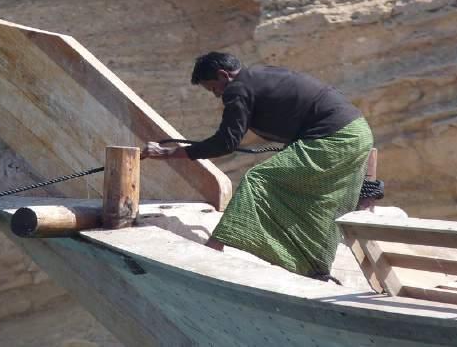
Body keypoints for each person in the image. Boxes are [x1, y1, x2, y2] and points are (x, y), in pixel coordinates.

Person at [142, 52, 373, 281]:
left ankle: (214, 247)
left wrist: (167, 153)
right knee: (315, 201)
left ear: (224, 75)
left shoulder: (237, 89)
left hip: (336, 137)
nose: (217, 95)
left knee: (258, 180)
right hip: (358, 132)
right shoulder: (260, 75)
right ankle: (316, 268)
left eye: (214, 88)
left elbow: (226, 142)